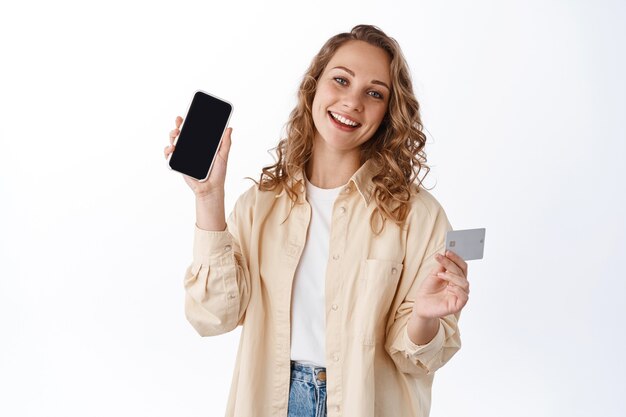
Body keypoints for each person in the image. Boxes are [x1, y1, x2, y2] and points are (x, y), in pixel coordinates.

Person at [164, 24, 470, 417]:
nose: (352, 102)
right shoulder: (259, 205)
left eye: (374, 93)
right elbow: (212, 316)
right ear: (313, 88)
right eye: (340, 80)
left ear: (389, 112)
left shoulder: (419, 216)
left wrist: (425, 318)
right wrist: (208, 197)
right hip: (270, 401)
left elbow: (417, 358)